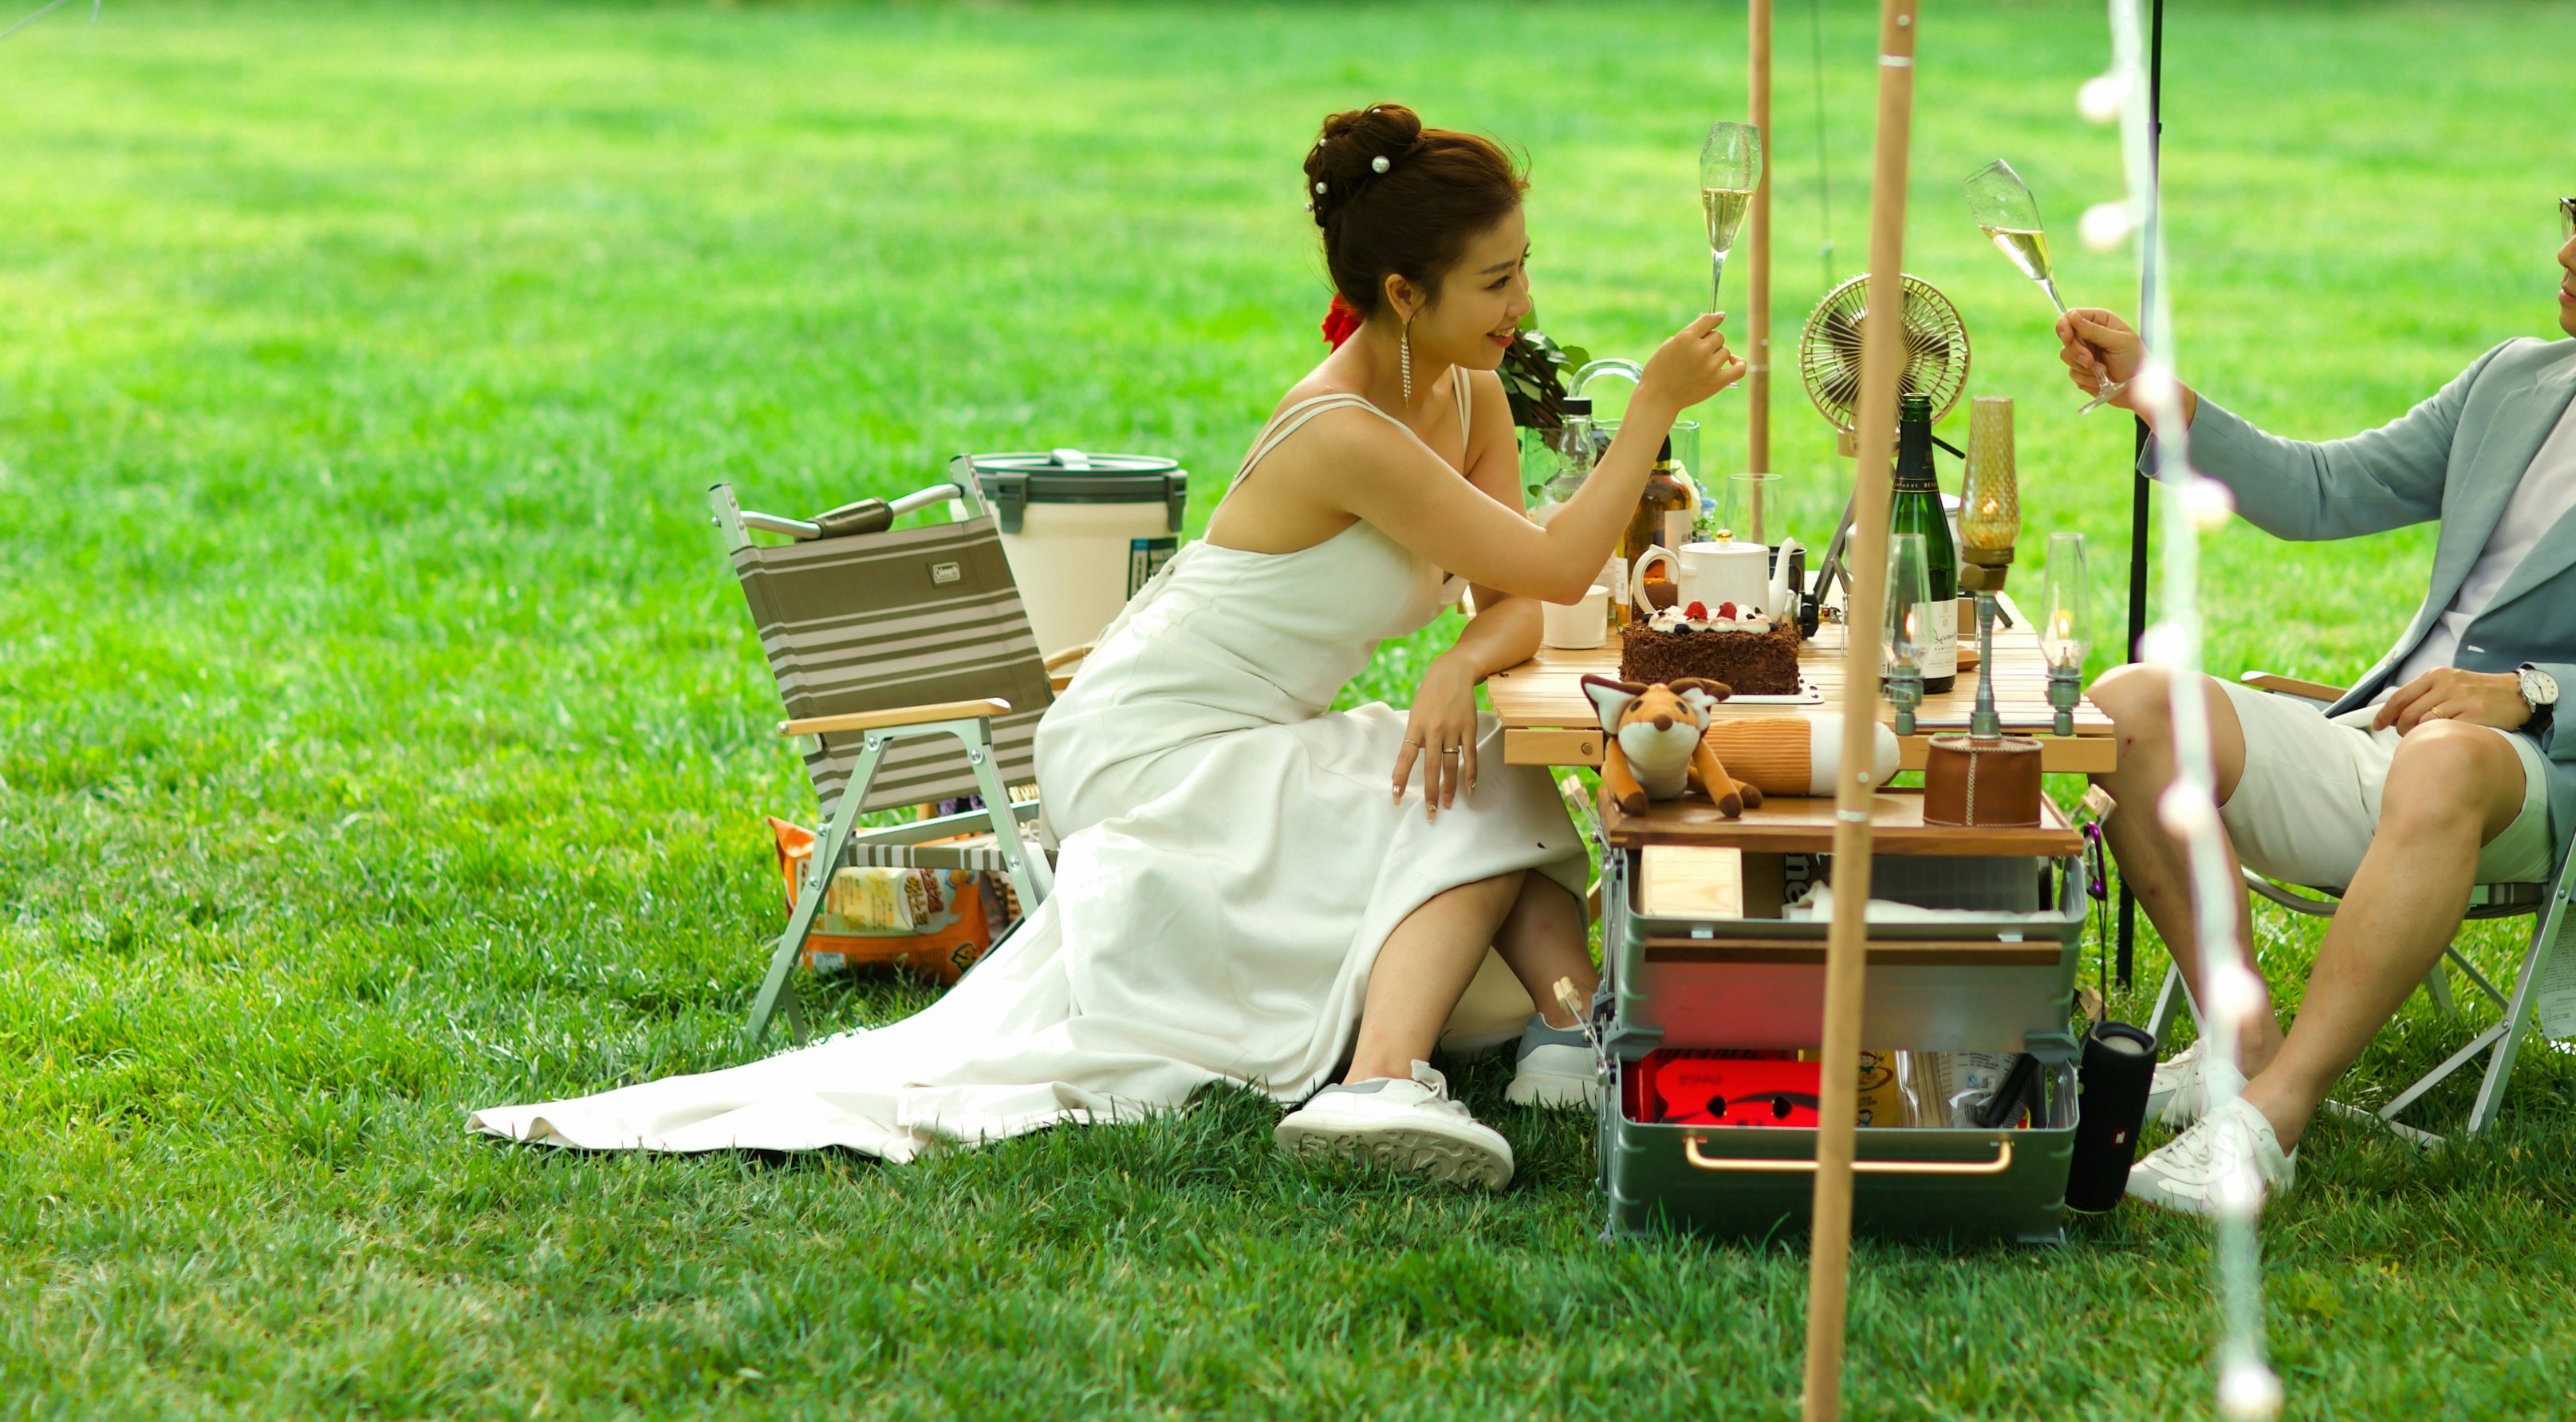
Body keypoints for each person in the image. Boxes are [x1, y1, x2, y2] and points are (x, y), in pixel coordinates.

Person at [475, 102, 1741, 1189]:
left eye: (1526, 270)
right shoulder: (1342, 431)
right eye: (1498, 282)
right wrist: (1655, 408)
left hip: (1261, 731)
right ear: (1403, 294)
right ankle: (1384, 1078)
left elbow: (1509, 595)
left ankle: (1574, 1037)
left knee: (1481, 759)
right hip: (1149, 740)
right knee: (1449, 784)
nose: (1526, 307)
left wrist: (1463, 663)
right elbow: (1563, 564)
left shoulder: (1464, 390)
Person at [2052, 107, 2576, 1214]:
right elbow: (2324, 490)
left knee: (2448, 759)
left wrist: (2526, 695)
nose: (2569, 252)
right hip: (2387, 737)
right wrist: (2162, 401)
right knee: (2129, 706)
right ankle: (2240, 1046)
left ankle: (2272, 1124)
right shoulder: (2517, 378)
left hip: (2551, 779)